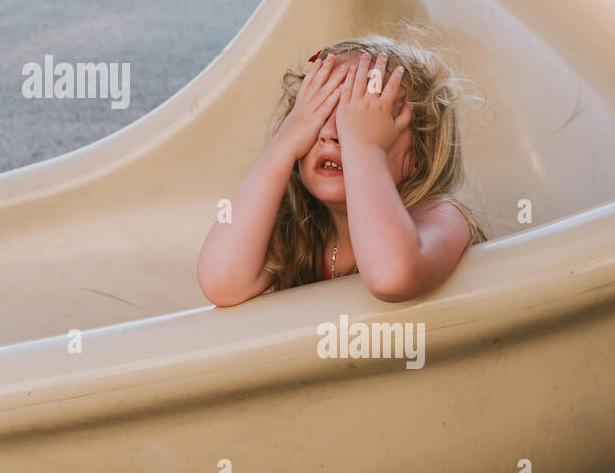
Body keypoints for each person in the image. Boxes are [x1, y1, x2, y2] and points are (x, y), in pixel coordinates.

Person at [196, 33, 485, 306]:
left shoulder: (441, 217)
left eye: (359, 119)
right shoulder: (301, 228)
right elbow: (221, 282)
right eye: (321, 111)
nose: (331, 132)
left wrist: (364, 147)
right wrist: (282, 146)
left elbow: (391, 277)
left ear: (421, 152)